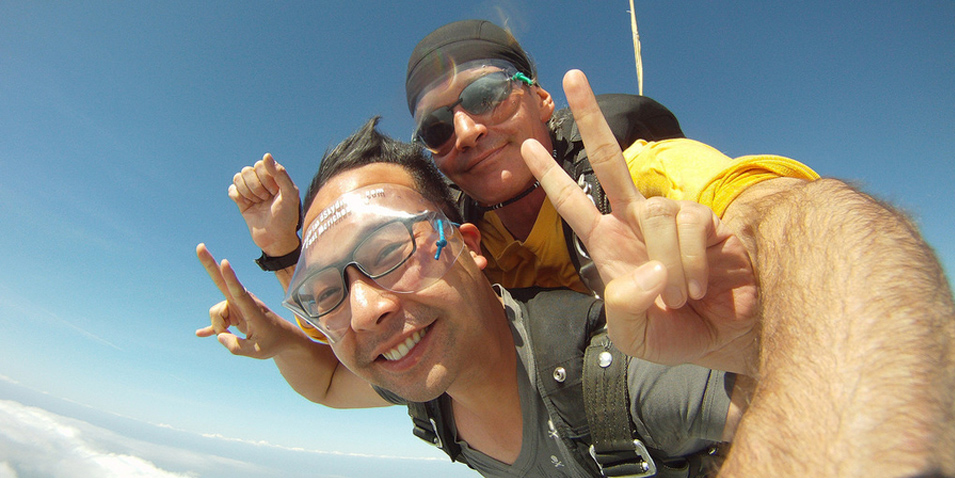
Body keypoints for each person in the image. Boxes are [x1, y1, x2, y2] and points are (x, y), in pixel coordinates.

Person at [200, 116, 755, 477]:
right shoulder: (427, 386)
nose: (368, 311)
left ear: (467, 246)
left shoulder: (618, 368)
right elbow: (324, 381)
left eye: (391, 251)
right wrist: (280, 294)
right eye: (326, 293)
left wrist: (757, 340)